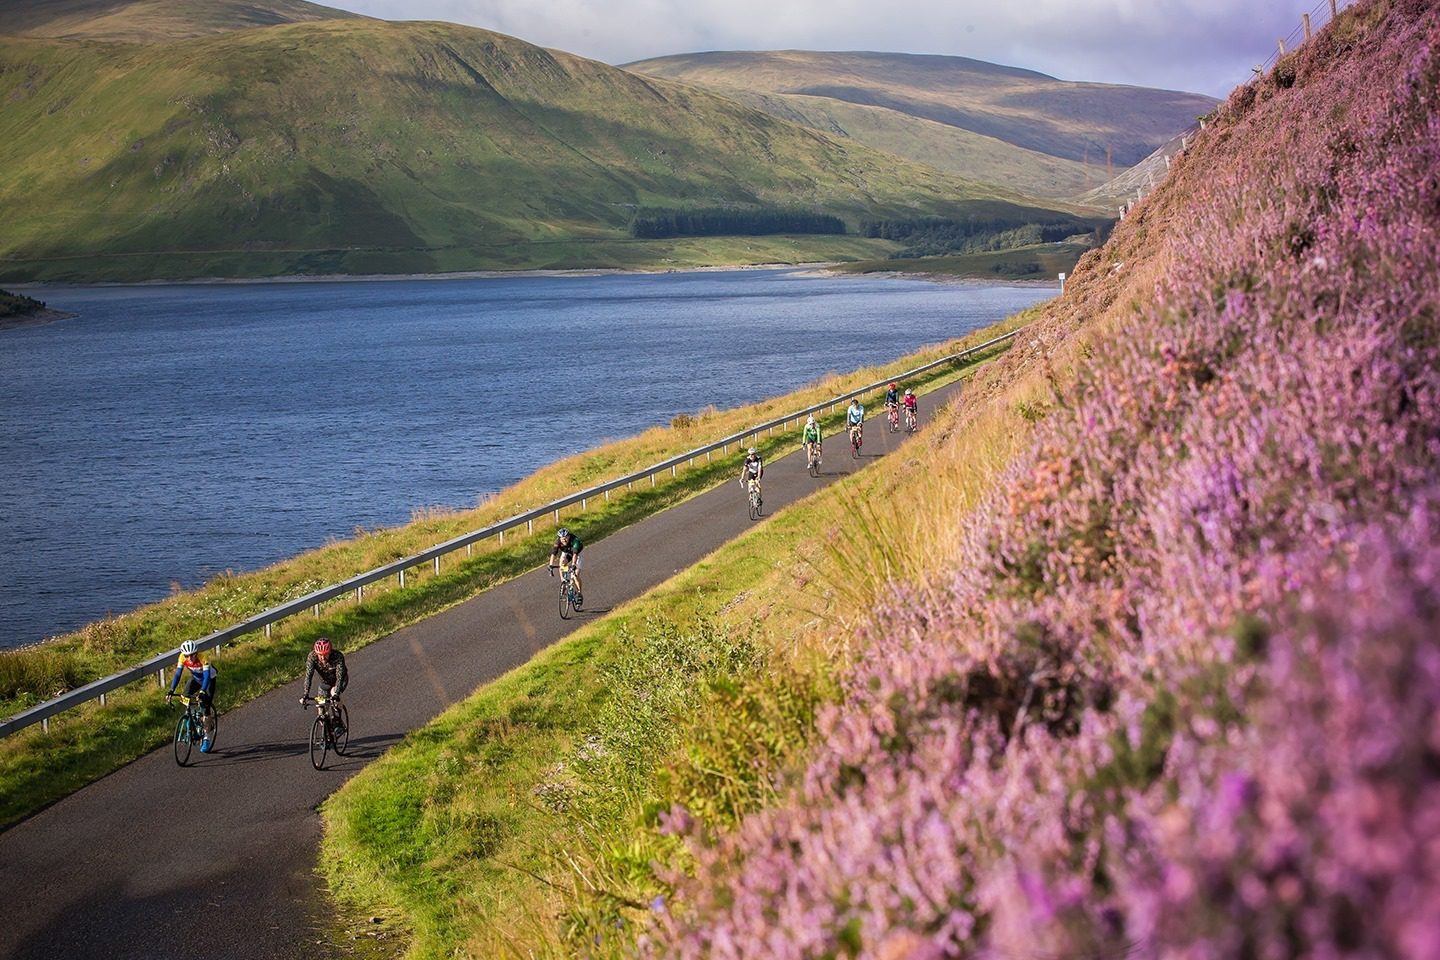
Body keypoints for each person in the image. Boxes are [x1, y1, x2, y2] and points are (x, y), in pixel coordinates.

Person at [166, 639, 218, 753]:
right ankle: (193, 715)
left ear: (196, 653)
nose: (190, 658)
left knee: (205, 706)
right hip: (195, 679)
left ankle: (206, 737)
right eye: (187, 656)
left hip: (208, 680)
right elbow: (178, 674)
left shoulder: (203, 658)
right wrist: (171, 690)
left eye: (192, 655)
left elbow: (206, 677)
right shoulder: (182, 658)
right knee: (185, 696)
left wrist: (202, 692)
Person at [300, 637, 348, 712]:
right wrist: (306, 693)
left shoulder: (338, 656)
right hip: (325, 682)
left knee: (334, 694)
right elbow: (308, 676)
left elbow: (340, 677)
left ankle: (338, 718)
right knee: (321, 706)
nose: (322, 658)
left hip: (341, 680)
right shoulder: (312, 657)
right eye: (320, 655)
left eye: (325, 655)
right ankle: (323, 721)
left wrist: (336, 694)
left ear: (330, 652)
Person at [549, 527, 584, 601]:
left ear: (569, 536)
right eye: (562, 539)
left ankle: (579, 593)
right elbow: (553, 553)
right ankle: (564, 582)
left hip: (577, 553)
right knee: (561, 563)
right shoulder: (558, 541)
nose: (564, 540)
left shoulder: (575, 541)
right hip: (567, 552)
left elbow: (574, 555)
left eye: (565, 538)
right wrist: (550, 565)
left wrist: (574, 565)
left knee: (575, 575)